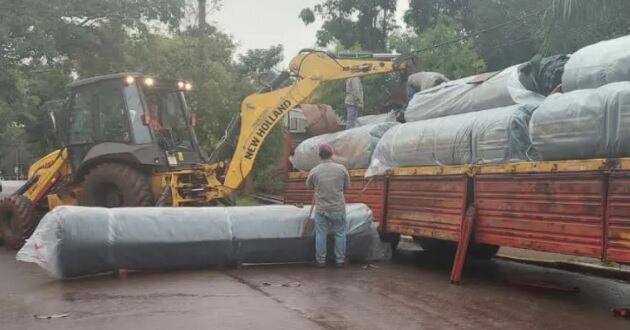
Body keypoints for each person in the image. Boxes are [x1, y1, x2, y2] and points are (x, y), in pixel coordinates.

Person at [306, 144, 351, 267]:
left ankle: (321, 261)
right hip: (338, 207)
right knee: (340, 233)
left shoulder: (315, 170)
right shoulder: (341, 169)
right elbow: (347, 186)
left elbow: (309, 186)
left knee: (321, 234)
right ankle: (340, 260)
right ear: (332, 154)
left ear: (319, 155)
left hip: (322, 208)